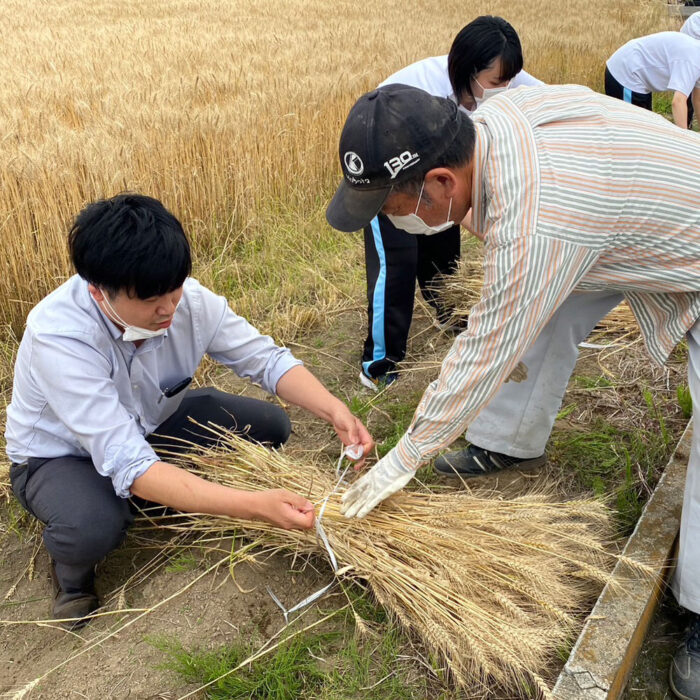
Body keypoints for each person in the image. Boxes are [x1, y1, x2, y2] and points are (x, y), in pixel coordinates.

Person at [325, 83, 700, 697]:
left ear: (442, 182)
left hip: (684, 236)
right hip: (618, 213)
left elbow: (484, 349)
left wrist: (407, 456)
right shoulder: (489, 123)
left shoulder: (540, 221)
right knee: (546, 310)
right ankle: (508, 439)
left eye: (389, 208)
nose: (391, 221)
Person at [5, 194, 373, 630]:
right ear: (98, 291)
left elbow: (266, 360)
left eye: (173, 288)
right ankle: (72, 577)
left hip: (151, 425)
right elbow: (128, 462)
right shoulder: (60, 337)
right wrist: (253, 506)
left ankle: (161, 496)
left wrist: (334, 410)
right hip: (59, 457)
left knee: (269, 425)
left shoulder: (188, 303)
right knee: (94, 524)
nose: (168, 309)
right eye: (149, 299)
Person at [359, 16, 542, 391]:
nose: (505, 89)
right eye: (496, 83)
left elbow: (549, 101)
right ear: (466, 72)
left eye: (509, 81)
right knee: (397, 262)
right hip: (387, 175)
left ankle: (450, 313)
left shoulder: (505, 78)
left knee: (443, 245)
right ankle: (379, 363)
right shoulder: (421, 93)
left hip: (436, 174)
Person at [605, 31, 700, 129]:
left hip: (638, 78)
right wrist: (685, 141)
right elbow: (678, 102)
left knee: (646, 130)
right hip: (625, 73)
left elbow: (698, 100)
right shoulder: (693, 61)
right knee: (631, 130)